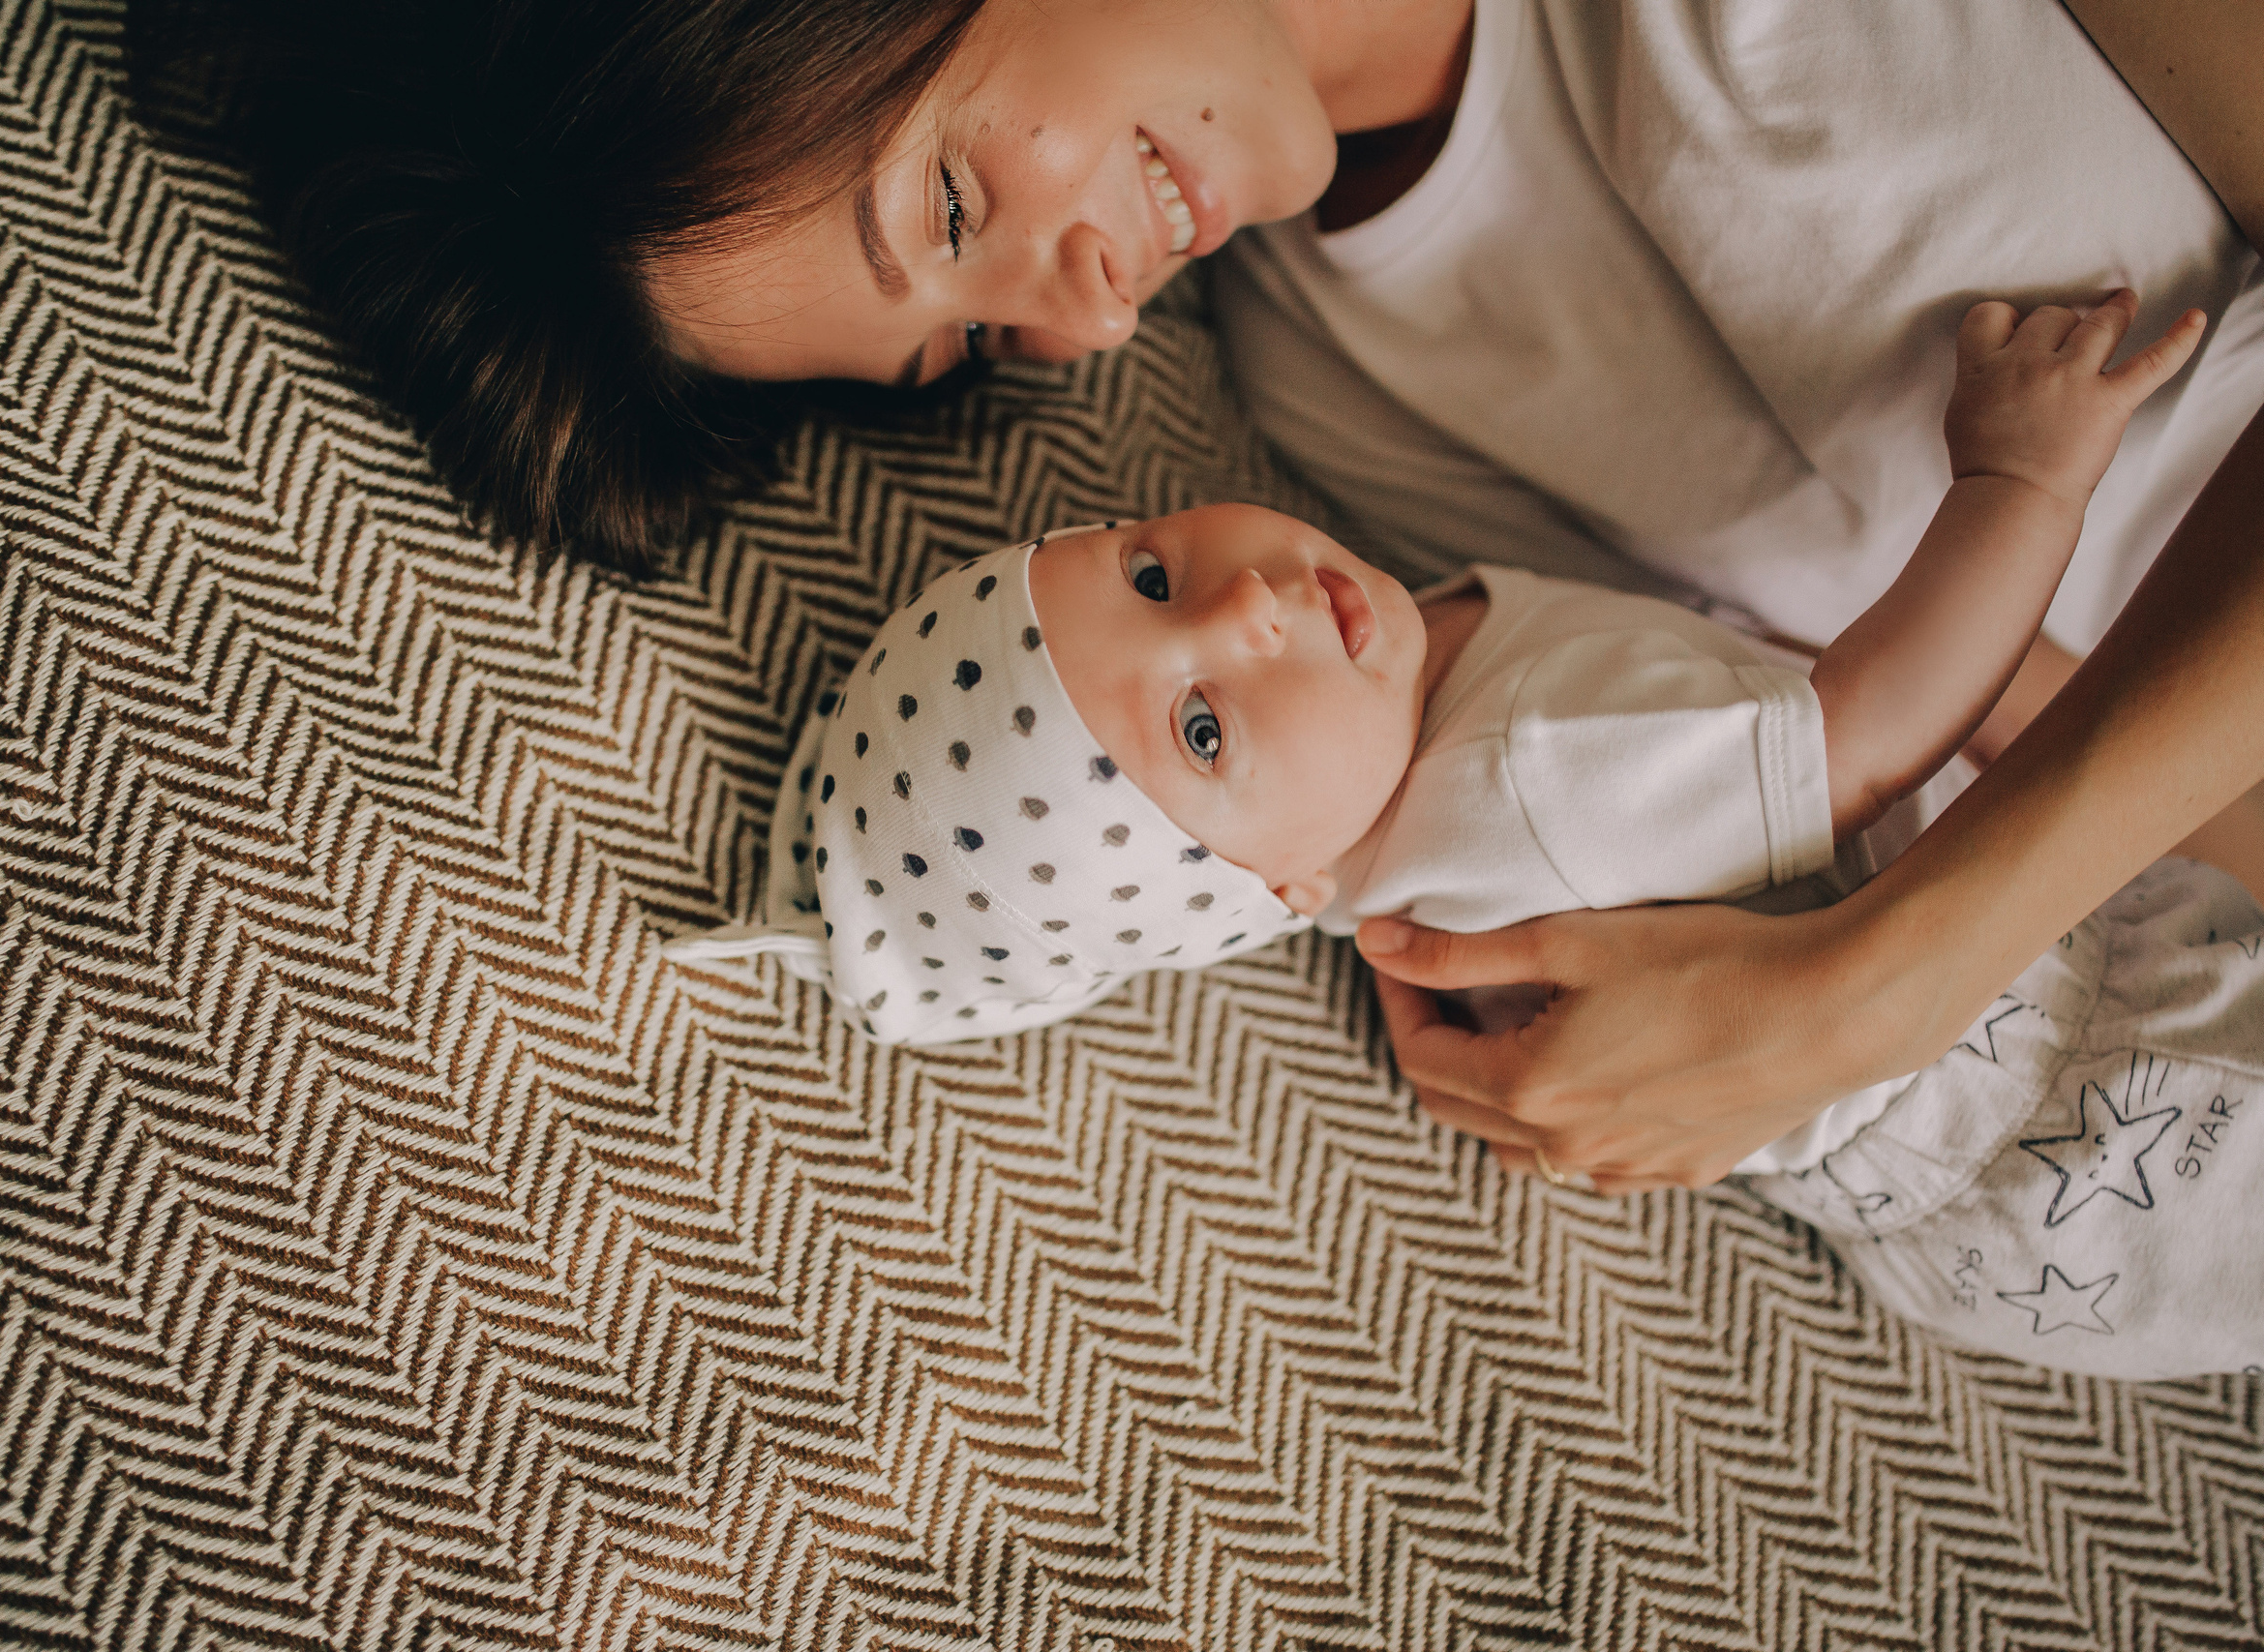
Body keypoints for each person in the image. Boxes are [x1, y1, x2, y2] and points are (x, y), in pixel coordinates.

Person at [145, 0, 2264, 1197]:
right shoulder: (1337, 394)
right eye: (963, 343)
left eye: (953, 195)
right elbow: (1879, 708)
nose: (1071, 330)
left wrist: (1890, 972)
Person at [668, 289, 2264, 1376]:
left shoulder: (1396, 759)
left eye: (1151, 574)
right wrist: (2022, 475)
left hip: (1993, 1220)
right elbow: (1876, 727)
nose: (1247, 606)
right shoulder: (1530, 774)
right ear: (1264, 891)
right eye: (1205, 727)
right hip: (2141, 1106)